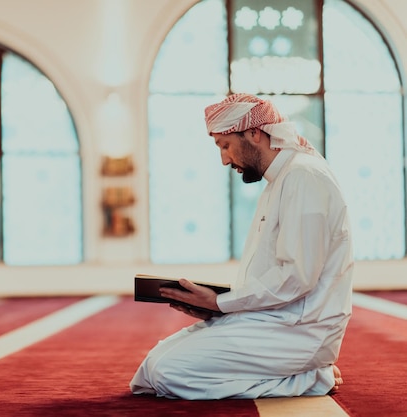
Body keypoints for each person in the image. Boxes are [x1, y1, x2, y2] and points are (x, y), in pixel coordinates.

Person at [130, 93, 353, 400]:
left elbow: (297, 278)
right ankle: (302, 372)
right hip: (272, 321)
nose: (223, 159)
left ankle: (308, 378)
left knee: (168, 373)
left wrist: (221, 303)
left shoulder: (303, 177)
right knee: (151, 366)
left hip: (298, 330)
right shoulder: (281, 181)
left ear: (254, 133)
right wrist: (216, 306)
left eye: (225, 146)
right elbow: (274, 275)